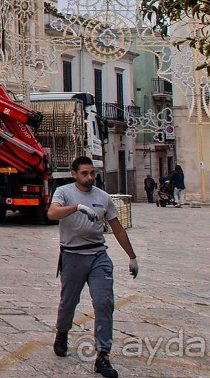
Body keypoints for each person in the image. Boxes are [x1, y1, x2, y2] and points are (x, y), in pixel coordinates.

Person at [48, 156, 138, 378]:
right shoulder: (64, 193)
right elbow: (52, 213)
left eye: (92, 173)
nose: (90, 177)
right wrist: (77, 207)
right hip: (72, 255)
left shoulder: (103, 197)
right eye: (85, 173)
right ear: (74, 174)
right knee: (69, 302)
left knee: (104, 302)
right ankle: (62, 332)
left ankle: (103, 355)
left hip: (98, 254)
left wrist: (132, 257)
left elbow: (117, 228)